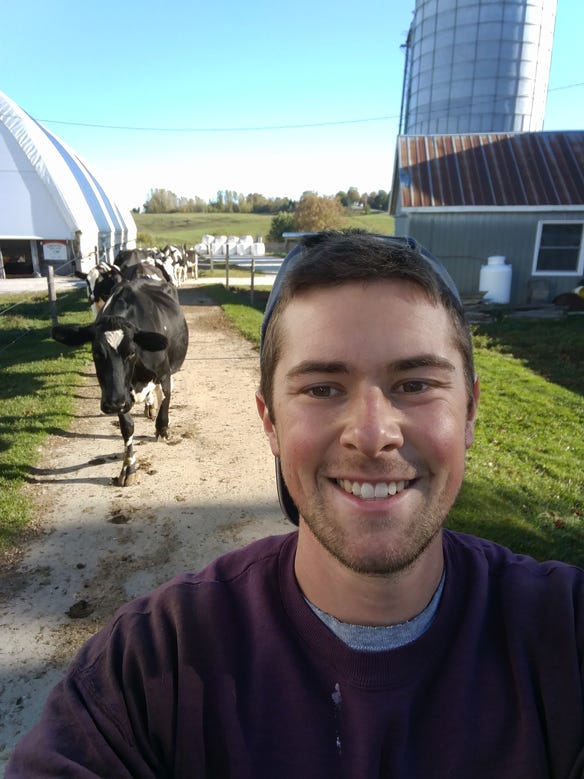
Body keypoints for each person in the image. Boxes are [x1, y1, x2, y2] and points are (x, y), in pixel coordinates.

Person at [7, 231, 584, 778]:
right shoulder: (151, 664)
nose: (372, 433)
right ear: (271, 422)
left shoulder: (565, 635)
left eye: (415, 383)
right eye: (322, 389)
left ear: (470, 412)